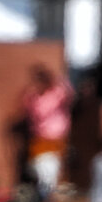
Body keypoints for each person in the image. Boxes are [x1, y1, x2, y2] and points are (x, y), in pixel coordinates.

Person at [19, 63, 74, 193]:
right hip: (40, 140)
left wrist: (59, 79)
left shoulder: (57, 93)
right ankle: (42, 199)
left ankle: (49, 200)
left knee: (53, 173)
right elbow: (27, 109)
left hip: (57, 141)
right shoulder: (33, 97)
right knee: (40, 171)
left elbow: (70, 95)